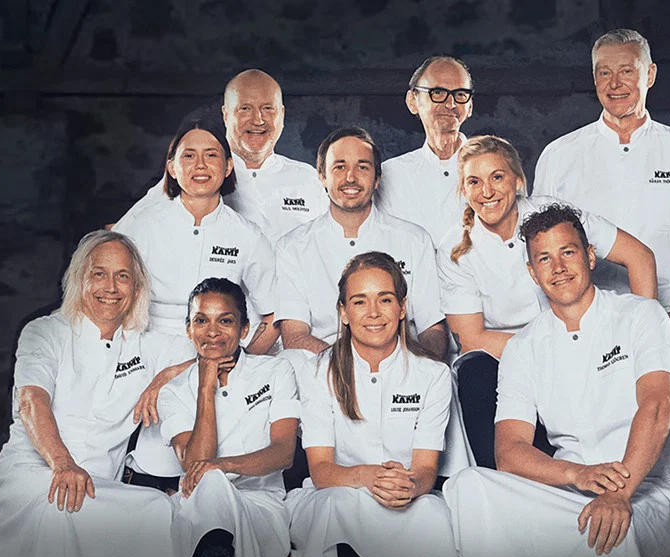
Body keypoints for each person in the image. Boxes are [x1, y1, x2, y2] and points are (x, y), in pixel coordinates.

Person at [442, 205, 670, 557]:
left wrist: (620, 493)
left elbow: (658, 407)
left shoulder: (640, 315)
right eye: (544, 258)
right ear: (531, 271)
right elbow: (509, 451)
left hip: (652, 490)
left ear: (590, 255)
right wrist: (576, 475)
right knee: (467, 491)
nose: (558, 267)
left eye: (568, 252)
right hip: (572, 491)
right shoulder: (525, 346)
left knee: (609, 532)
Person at [0, 231, 183, 557]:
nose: (110, 287)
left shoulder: (146, 343)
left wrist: (163, 379)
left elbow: (210, 355)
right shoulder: (45, 332)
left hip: (102, 482)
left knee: (158, 511)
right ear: (78, 279)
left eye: (122, 276)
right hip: (35, 471)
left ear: (137, 286)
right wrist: (63, 463)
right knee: (64, 506)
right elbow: (32, 400)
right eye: (99, 274)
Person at [286, 252, 470, 557]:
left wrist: (411, 486)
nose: (373, 312)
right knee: (334, 510)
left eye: (385, 299)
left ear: (403, 307)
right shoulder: (317, 372)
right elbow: (321, 470)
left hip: (404, 491)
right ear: (343, 312)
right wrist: (367, 476)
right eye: (360, 301)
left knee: (437, 517)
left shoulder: (433, 375)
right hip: (340, 489)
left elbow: (426, 467)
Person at [439, 135, 656, 469]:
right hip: (506, 357)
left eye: (497, 177)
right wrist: (552, 351)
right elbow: (472, 338)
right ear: (463, 190)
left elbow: (639, 256)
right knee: (474, 371)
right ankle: (510, 483)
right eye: (474, 182)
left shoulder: (552, 217)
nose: (487, 191)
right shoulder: (455, 248)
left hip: (584, 337)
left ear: (518, 180)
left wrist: (641, 332)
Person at [534, 28, 670, 414]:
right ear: (594, 78)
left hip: (669, 321)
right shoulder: (560, 156)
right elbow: (537, 251)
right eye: (604, 72)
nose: (615, 84)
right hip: (585, 327)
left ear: (650, 74)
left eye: (627, 71)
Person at [153, 278, 299, 557]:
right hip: (201, 507)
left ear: (245, 328)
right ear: (188, 329)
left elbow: (283, 453)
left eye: (226, 321)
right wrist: (204, 387)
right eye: (201, 320)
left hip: (260, 508)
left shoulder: (275, 371)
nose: (212, 331)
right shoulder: (174, 392)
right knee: (208, 488)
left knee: (212, 482)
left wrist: (225, 465)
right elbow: (194, 466)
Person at [114, 110, 279, 483]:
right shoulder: (142, 227)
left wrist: (236, 363)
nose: (200, 165)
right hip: (142, 347)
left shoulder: (248, 236)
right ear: (171, 167)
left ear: (228, 166)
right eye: (188, 155)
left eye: (211, 155)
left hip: (218, 348)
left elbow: (273, 318)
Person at [275, 127, 448, 361]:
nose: (350, 177)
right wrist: (354, 368)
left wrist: (407, 367)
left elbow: (433, 330)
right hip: (324, 367)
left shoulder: (414, 240)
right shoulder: (292, 246)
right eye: (339, 167)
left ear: (377, 179)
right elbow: (295, 336)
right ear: (322, 177)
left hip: (401, 365)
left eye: (362, 167)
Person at [121, 70, 326, 241]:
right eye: (245, 109)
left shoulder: (308, 179)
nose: (258, 120)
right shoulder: (200, 176)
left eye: (268, 109)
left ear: (282, 114)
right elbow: (124, 234)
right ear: (226, 114)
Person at [377, 56, 474, 242]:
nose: (451, 104)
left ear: (470, 107)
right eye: (437, 92)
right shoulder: (390, 175)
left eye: (461, 94)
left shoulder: (495, 169)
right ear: (412, 101)